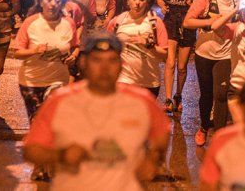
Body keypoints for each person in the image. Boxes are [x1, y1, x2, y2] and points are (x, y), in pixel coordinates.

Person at [23, 32, 170, 190]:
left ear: (121, 64)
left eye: (112, 60)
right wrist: (61, 155)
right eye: (97, 60)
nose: (104, 68)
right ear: (83, 63)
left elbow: (162, 132)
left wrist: (154, 159)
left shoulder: (142, 101)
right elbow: (31, 150)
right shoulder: (60, 101)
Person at [13, 0, 79, 179]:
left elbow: (76, 45)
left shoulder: (68, 23)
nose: (53, 4)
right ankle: (39, 164)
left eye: (57, 0)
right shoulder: (31, 22)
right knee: (36, 124)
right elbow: (17, 52)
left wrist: (73, 55)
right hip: (31, 81)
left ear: (62, 4)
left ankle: (46, 164)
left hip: (57, 82)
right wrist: (34, 50)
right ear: (41, 1)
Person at [184, 0, 240, 146]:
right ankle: (203, 127)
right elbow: (187, 22)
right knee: (206, 94)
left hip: (225, 54)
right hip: (204, 53)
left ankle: (220, 133)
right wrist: (210, 21)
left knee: (221, 94)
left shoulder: (237, 2)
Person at [106, 0, 169, 96]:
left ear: (147, 1)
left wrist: (149, 45)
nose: (137, 3)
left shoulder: (155, 22)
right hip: (123, 80)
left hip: (149, 82)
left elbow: (164, 55)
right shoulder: (117, 22)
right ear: (127, 0)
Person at [157, 0, 197, 112]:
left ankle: (178, 95)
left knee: (181, 67)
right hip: (171, 24)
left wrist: (191, 2)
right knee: (170, 63)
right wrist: (161, 6)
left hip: (187, 26)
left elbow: (200, 5)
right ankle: (167, 98)